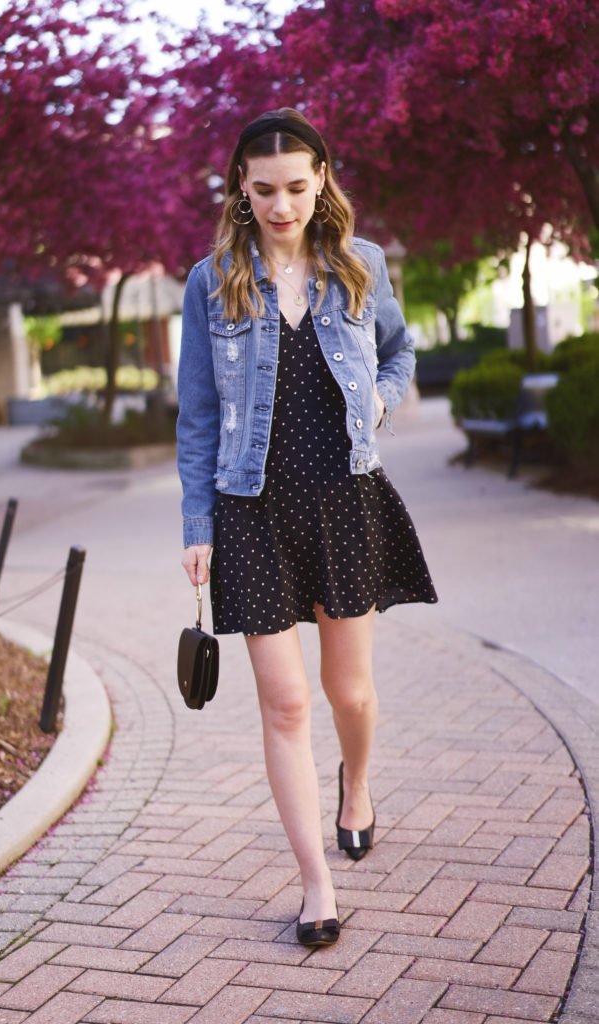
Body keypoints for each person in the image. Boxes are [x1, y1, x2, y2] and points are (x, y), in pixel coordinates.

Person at [177, 108, 437, 947]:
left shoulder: (359, 266)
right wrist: (195, 523)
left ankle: (355, 785)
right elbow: (195, 416)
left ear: (321, 176)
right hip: (248, 511)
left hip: (343, 501)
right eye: (263, 191)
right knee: (284, 703)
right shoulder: (210, 280)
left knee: (346, 692)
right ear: (238, 189)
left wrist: (379, 404)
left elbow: (398, 355)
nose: (281, 206)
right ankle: (315, 883)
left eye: (295, 187)